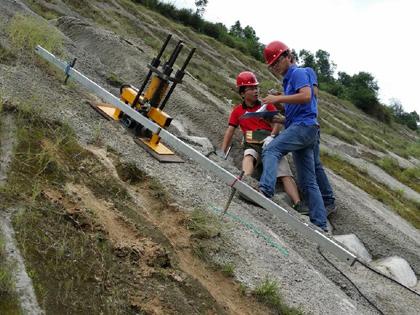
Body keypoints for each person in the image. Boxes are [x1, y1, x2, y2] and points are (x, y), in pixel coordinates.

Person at [259, 40, 328, 231]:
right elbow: (294, 110)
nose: (275, 67)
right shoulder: (288, 81)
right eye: (272, 65)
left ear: (287, 57)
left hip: (304, 127)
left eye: (277, 62)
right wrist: (275, 111)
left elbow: (307, 96)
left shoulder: (297, 73)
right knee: (308, 180)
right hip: (304, 128)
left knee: (272, 149)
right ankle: (320, 224)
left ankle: (265, 190)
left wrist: (278, 98)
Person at [220, 71, 301, 207]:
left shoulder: (266, 105)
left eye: (256, 87)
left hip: (271, 144)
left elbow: (276, 123)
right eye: (251, 88)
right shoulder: (238, 111)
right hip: (251, 143)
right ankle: (245, 182)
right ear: (242, 93)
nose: (255, 91)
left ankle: (298, 204)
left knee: (284, 173)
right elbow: (230, 131)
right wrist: (222, 152)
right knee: (248, 156)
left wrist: (272, 136)